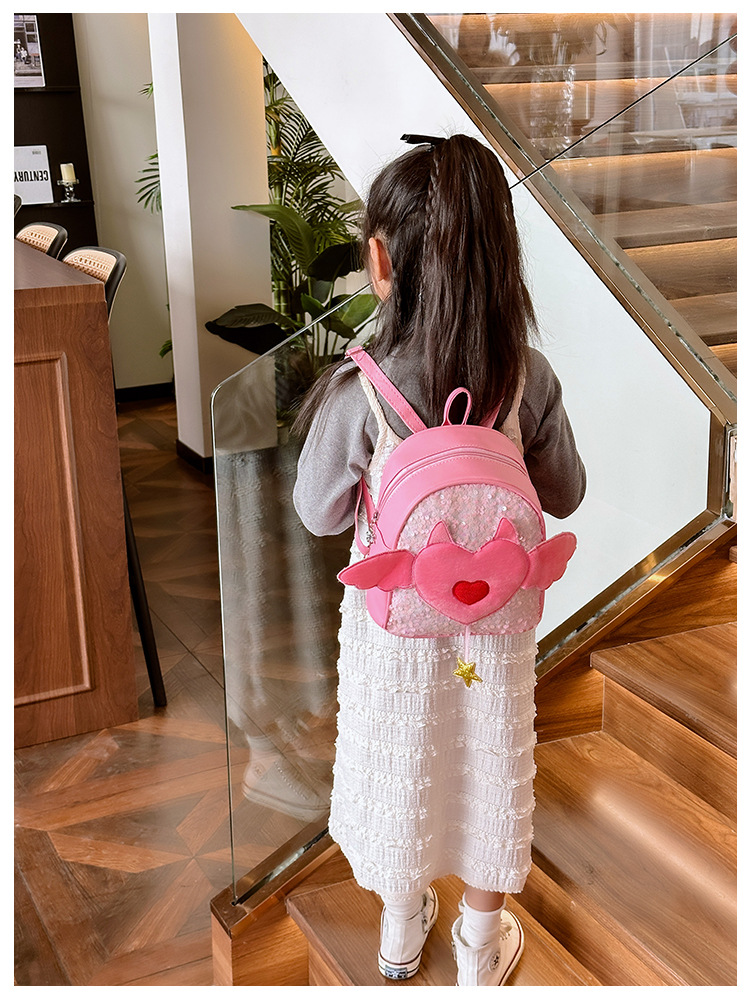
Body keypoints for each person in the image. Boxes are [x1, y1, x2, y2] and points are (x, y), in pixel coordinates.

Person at [292, 133, 586, 987]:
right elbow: (565, 494)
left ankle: (399, 933)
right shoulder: (528, 378)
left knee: (406, 763)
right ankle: (480, 949)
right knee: (493, 766)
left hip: (396, 634)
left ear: (381, 261)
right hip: (495, 632)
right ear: (501, 260)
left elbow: (317, 513)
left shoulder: (361, 388)